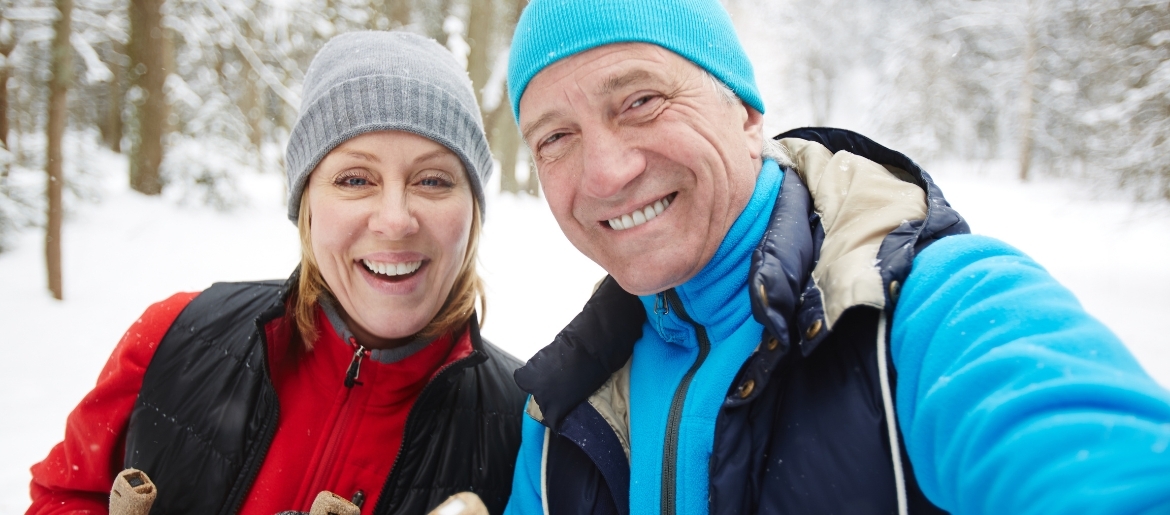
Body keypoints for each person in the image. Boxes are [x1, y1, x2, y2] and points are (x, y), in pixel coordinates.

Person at [501, 1, 1170, 514]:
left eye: (641, 100)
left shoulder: (931, 311)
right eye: (556, 137)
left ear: (745, 112)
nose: (604, 175)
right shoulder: (560, 417)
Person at [27, 31, 525, 515]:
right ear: (306, 203)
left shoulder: (527, 432)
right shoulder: (176, 335)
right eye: (355, 179)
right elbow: (62, 495)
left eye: (433, 180)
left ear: (473, 212)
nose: (395, 220)